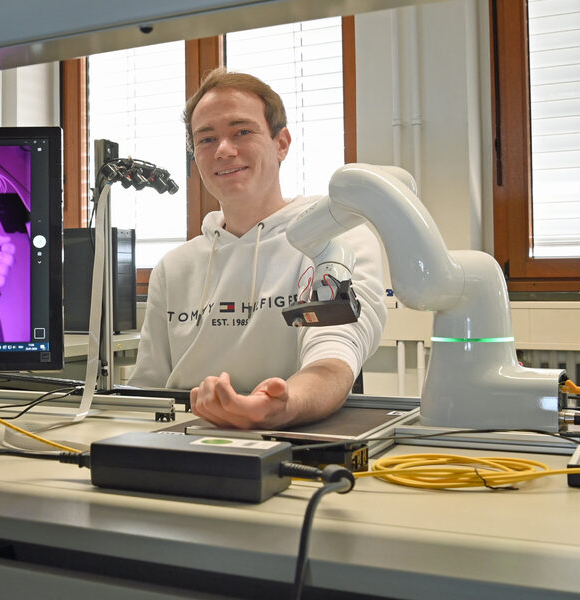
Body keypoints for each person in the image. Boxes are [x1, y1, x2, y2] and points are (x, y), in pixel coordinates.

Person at [128, 68, 387, 430]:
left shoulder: (335, 239)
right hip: (181, 438)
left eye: (242, 132)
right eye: (206, 140)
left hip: (290, 436)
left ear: (281, 143)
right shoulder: (174, 267)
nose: (223, 150)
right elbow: (148, 389)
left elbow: (334, 357)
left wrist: (282, 405)